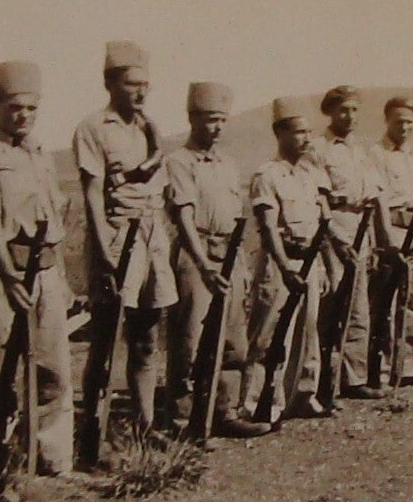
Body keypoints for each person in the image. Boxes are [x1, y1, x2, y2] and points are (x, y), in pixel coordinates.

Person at [0, 60, 74, 482]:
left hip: (45, 273)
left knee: (54, 372)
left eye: (30, 108)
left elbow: (53, 221)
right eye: (14, 108)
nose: (23, 116)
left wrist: (61, 277)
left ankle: (50, 461)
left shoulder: (41, 155)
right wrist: (8, 277)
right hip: (1, 272)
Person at [73, 40, 176, 440]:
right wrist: (104, 255)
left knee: (146, 338)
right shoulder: (94, 129)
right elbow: (92, 197)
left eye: (145, 84)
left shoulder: (149, 130)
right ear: (110, 84)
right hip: (117, 237)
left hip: (152, 238)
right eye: (132, 84)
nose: (141, 92)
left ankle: (144, 427)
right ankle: (92, 431)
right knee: (104, 340)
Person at [163, 82, 272, 439]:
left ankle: (224, 411)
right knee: (191, 339)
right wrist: (202, 263)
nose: (218, 127)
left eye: (223, 119)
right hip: (197, 254)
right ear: (192, 118)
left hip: (229, 254)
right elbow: (183, 216)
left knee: (232, 339)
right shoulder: (179, 162)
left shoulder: (228, 163)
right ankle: (183, 420)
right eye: (211, 119)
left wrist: (238, 262)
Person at [241, 98, 336, 422]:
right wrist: (284, 269)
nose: (306, 138)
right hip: (280, 262)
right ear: (279, 133)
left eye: (308, 132)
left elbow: (320, 226)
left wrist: (322, 266)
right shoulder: (267, 175)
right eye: (298, 132)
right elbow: (269, 229)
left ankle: (302, 396)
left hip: (309, 262)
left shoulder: (310, 175)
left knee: (307, 333)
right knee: (269, 335)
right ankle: (256, 403)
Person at [306, 85, 389, 401]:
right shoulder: (319, 149)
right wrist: (334, 237)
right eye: (343, 110)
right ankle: (320, 381)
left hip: (360, 226)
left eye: (354, 110)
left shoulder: (361, 150)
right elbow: (318, 198)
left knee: (358, 305)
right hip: (333, 227)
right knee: (332, 305)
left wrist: (376, 241)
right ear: (329, 112)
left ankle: (353, 378)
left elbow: (373, 197)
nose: (349, 116)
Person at [367, 95, 413, 386]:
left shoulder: (411, 157)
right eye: (399, 121)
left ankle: (409, 368)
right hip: (392, 230)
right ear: (387, 121)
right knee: (385, 301)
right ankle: (379, 369)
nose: (404, 127)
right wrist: (385, 241)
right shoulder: (376, 154)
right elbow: (378, 200)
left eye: (409, 122)